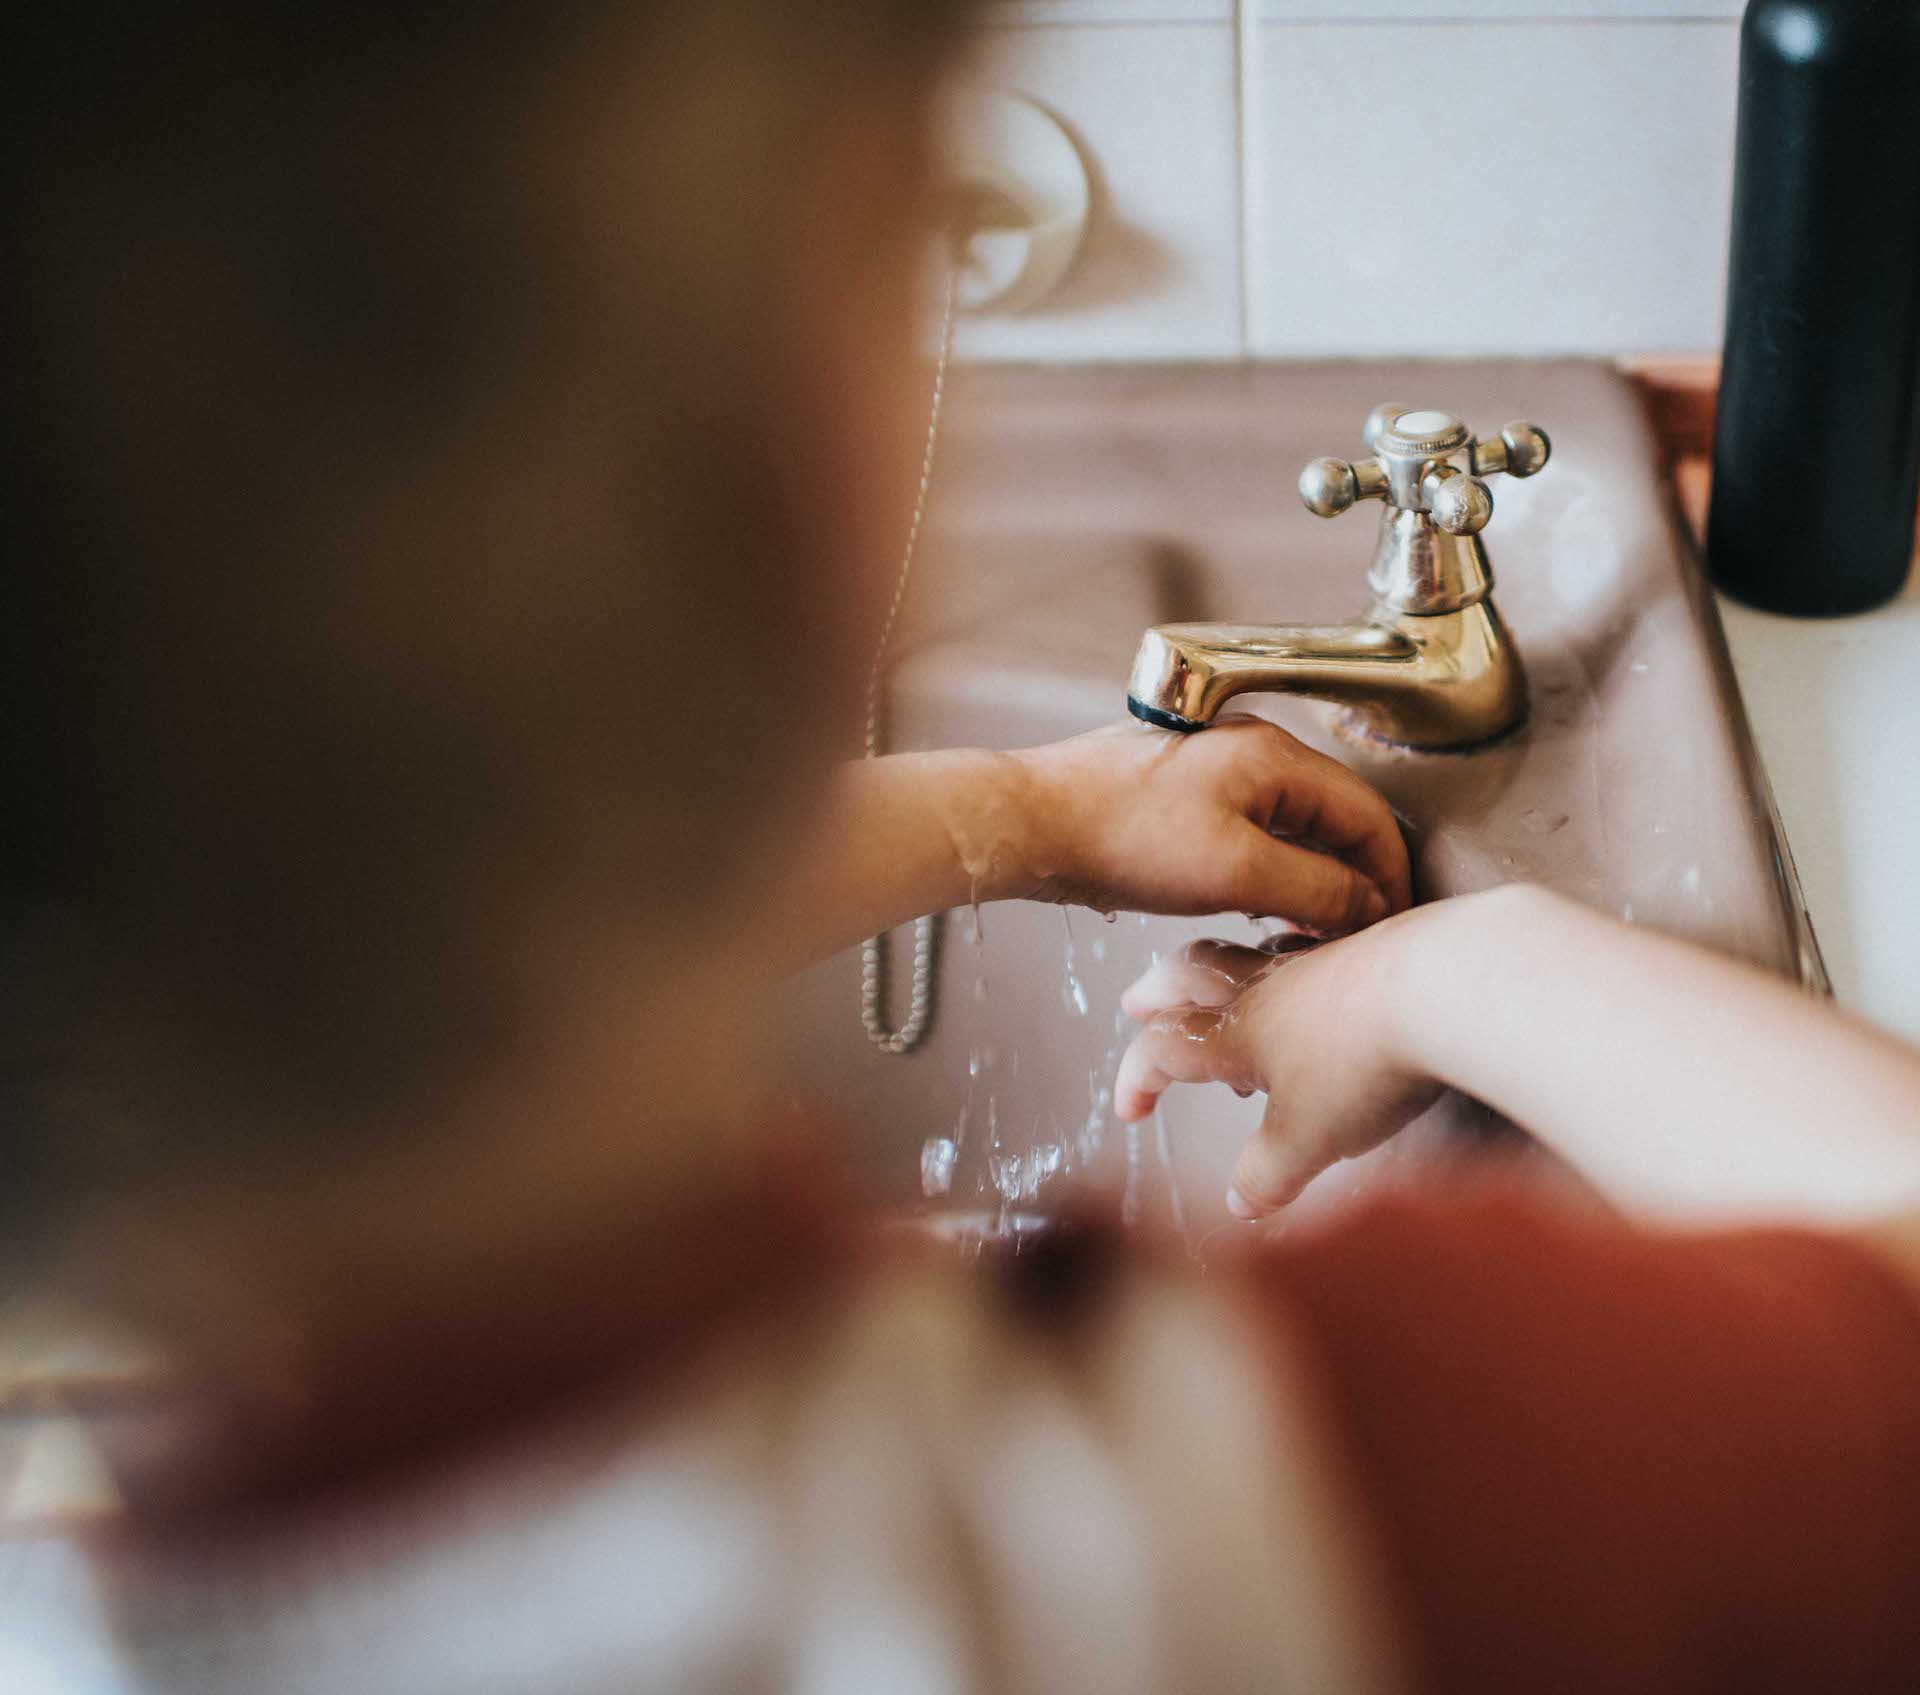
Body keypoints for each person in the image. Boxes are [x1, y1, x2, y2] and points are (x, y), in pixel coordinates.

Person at [1, 3, 1917, 1692]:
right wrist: (1451, 970)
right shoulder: (1256, 1536)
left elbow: (379, 913)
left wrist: (1036, 812)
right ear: (802, 455)